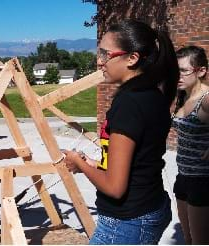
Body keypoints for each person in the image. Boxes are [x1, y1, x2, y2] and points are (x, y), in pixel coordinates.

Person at [62, 20, 179, 244]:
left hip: (127, 221)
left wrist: (80, 164)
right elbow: (140, 160)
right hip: (149, 205)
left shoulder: (129, 103)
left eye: (106, 54)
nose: (99, 61)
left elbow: (115, 188)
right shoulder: (152, 95)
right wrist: (97, 165)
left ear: (132, 58)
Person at [172, 46, 209, 244]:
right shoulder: (183, 96)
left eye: (184, 70)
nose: (178, 75)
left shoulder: (206, 99)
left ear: (201, 71)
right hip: (183, 176)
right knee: (187, 239)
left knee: (200, 242)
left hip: (203, 180)